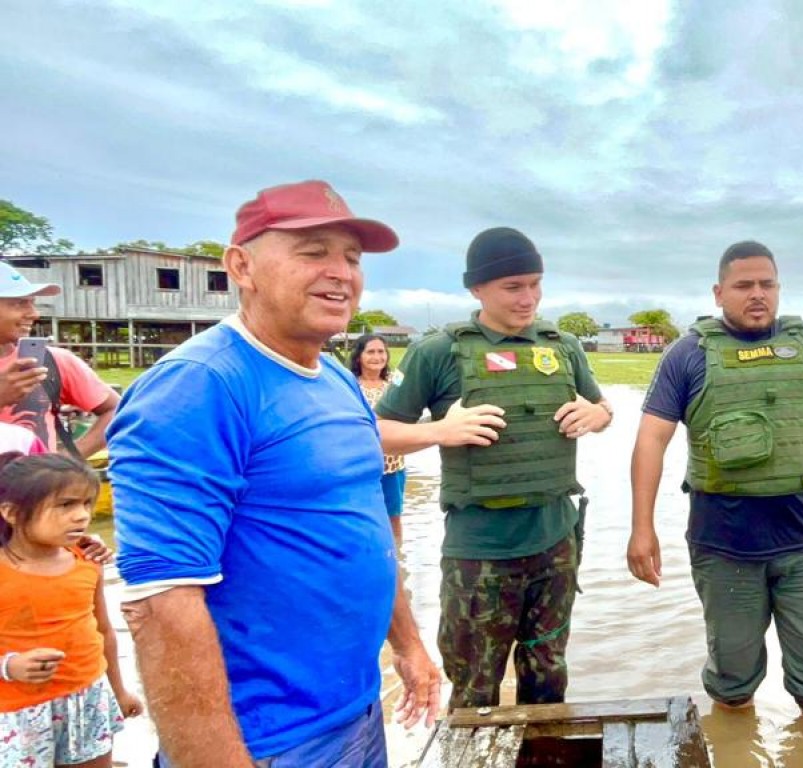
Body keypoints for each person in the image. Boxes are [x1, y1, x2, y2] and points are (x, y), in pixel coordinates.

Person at [107, 180, 440, 767]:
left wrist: (408, 646)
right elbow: (159, 604)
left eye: (352, 258)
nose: (341, 272)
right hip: (266, 741)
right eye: (313, 252)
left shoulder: (335, 378)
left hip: (358, 710)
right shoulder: (199, 386)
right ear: (242, 266)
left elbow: (361, 528)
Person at [628, 240, 803, 723]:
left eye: (767, 284)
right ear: (719, 291)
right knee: (732, 681)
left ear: (779, 288)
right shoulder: (687, 355)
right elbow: (650, 442)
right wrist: (642, 527)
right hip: (723, 546)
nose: (757, 294)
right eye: (744, 285)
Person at [376, 226, 612, 710]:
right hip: (479, 552)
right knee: (474, 692)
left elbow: (604, 408)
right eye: (513, 287)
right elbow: (374, 431)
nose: (529, 298)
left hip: (556, 542)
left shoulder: (563, 345)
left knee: (548, 681)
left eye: (535, 283)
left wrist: (599, 415)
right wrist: (439, 430)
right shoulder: (438, 351)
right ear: (476, 289)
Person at [0, 452, 143, 766]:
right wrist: (9, 666)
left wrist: (119, 690)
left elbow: (103, 629)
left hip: (87, 698)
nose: (81, 516)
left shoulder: (86, 560)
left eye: (86, 503)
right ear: (11, 512)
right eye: (65, 505)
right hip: (15, 712)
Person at [0, 263, 119, 456]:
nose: (34, 314)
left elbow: (116, 410)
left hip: (36, 486)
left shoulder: (51, 362)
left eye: (32, 303)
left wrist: (69, 458)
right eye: (19, 303)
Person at [350, 333, 407, 545]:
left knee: (394, 516)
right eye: (370, 352)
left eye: (381, 351)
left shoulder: (395, 383)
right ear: (359, 357)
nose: (377, 357)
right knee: (363, 517)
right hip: (361, 465)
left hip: (393, 465)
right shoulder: (351, 385)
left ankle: (397, 557)